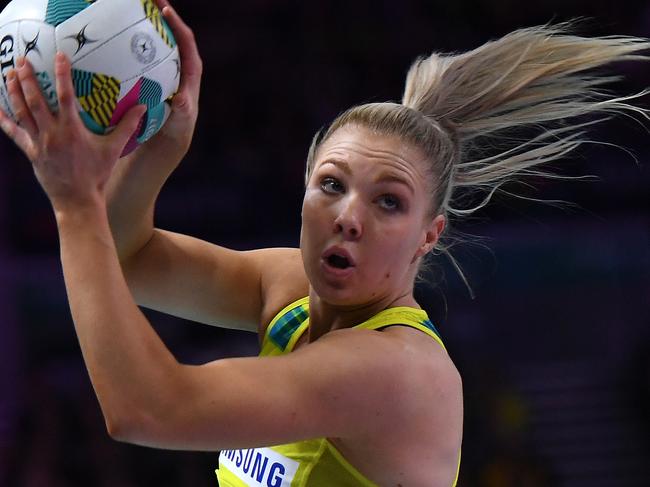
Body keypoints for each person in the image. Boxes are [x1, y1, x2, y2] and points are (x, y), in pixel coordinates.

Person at [0, 0, 648, 484]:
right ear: (303, 191)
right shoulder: (284, 288)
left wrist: (74, 201)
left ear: (430, 236)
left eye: (387, 202)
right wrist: (158, 155)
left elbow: (148, 408)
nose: (349, 216)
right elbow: (127, 260)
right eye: (332, 185)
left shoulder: (396, 372)